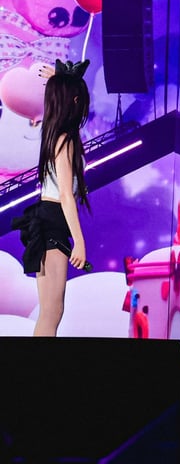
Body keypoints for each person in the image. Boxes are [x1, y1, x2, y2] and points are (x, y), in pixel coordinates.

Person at [10, 59, 92, 336]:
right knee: (52, 311)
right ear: (75, 101)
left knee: (50, 311)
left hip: (49, 218)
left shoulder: (55, 134)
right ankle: (38, 363)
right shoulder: (64, 139)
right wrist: (79, 241)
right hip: (54, 219)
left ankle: (37, 362)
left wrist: (60, 79)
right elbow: (66, 195)